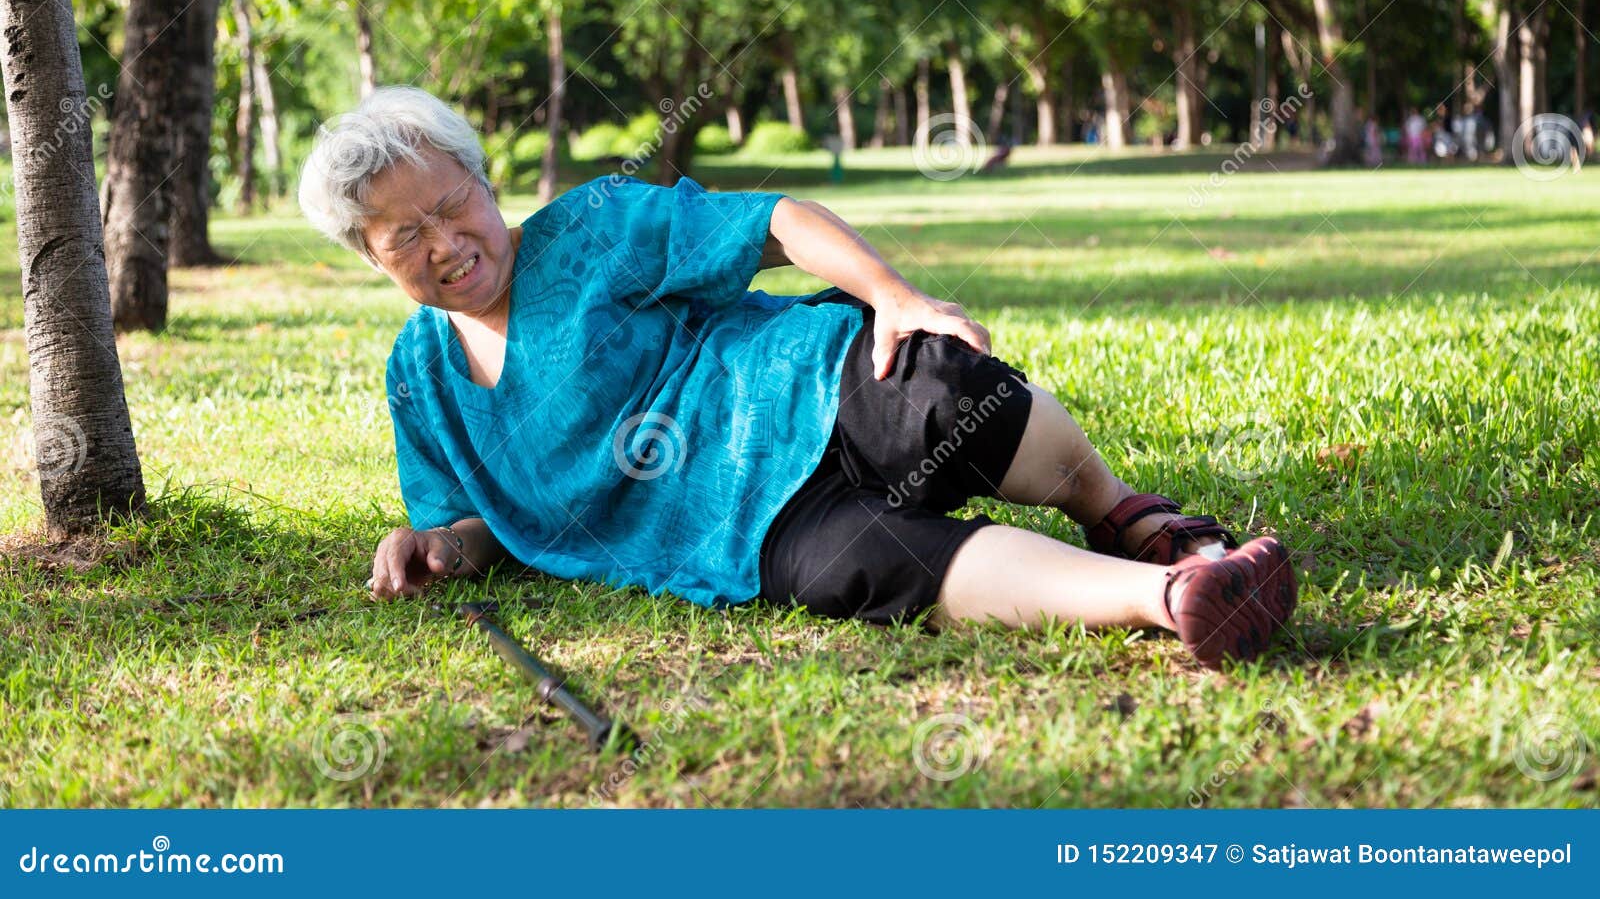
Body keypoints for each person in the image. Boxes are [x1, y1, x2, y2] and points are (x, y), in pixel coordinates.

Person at [298, 87, 1297, 669]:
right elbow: (481, 527)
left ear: (484, 181)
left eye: (453, 203)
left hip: (800, 389)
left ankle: (1116, 504)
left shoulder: (591, 228)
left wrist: (892, 294)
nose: (447, 242)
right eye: (406, 234)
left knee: (948, 385)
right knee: (875, 568)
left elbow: (767, 220)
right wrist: (433, 545)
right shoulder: (419, 378)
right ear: (370, 256)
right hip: (741, 530)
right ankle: (1176, 591)